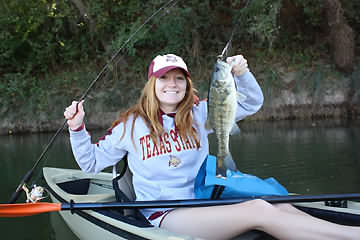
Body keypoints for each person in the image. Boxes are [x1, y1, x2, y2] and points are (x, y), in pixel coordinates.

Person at [64, 53, 360, 240]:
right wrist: (77, 128)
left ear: (187, 84)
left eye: (179, 78)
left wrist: (241, 74)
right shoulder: (129, 125)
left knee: (278, 203)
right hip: (165, 214)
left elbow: (252, 102)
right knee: (259, 209)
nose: (172, 84)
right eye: (163, 78)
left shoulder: (201, 113)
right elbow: (90, 164)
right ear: (151, 85)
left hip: (203, 198)